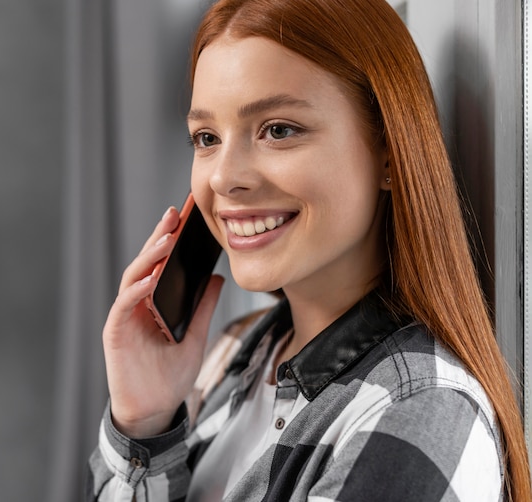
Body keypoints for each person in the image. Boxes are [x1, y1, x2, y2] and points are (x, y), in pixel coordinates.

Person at [86, 0, 531, 500]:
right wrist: (145, 422)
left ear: (389, 150)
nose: (225, 179)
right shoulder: (238, 350)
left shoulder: (418, 410)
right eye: (206, 137)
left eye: (278, 130)